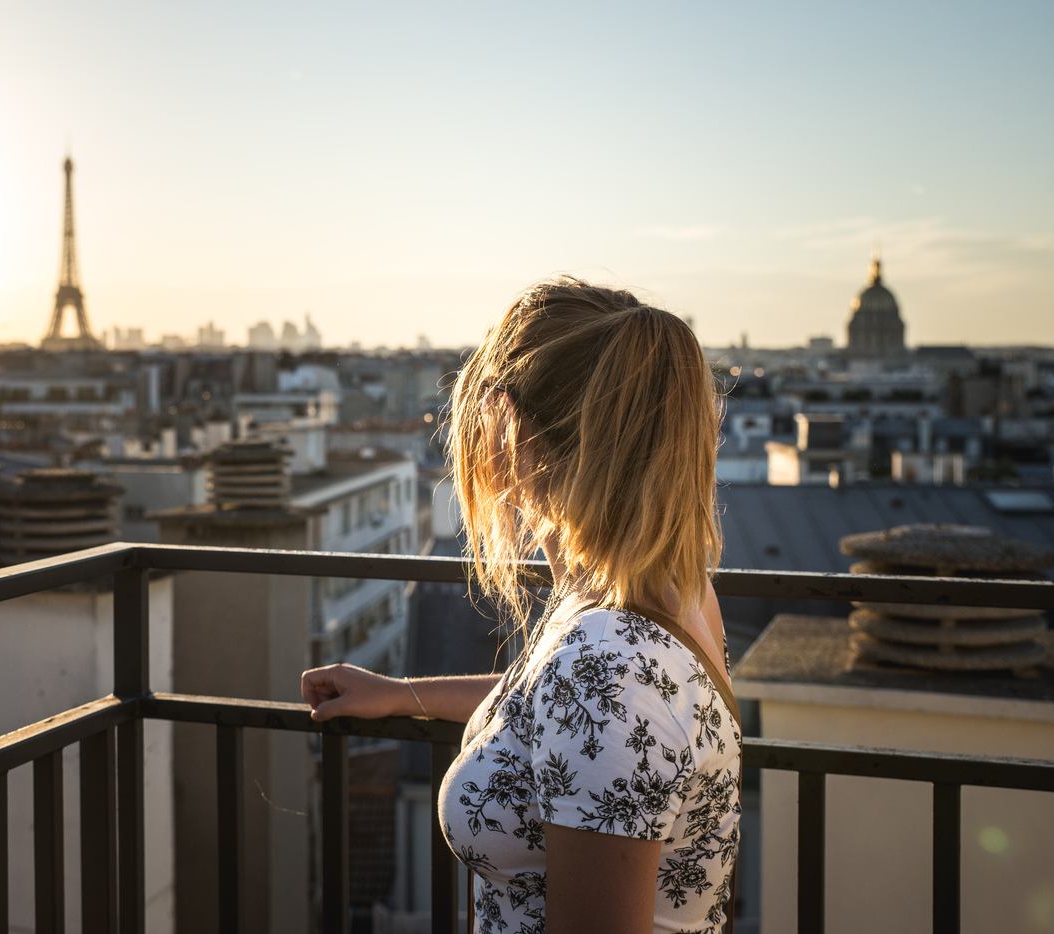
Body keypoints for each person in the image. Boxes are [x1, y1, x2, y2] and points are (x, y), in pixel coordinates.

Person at [301, 279, 741, 933]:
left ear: (506, 426)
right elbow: (551, 711)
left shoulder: (607, 662)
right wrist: (402, 695)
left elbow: (596, 706)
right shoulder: (669, 592)